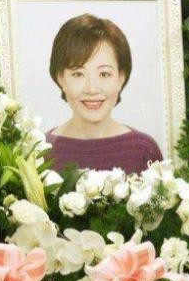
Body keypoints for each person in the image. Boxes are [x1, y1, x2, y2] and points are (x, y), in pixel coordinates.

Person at [45, 14, 163, 173]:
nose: (92, 89)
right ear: (61, 79)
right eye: (78, 74)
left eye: (104, 74)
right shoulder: (40, 151)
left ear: (121, 78)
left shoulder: (144, 150)